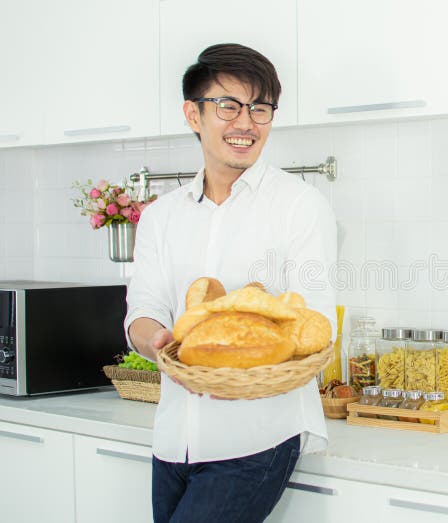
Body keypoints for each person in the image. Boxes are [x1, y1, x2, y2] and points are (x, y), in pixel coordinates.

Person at [125, 43, 336, 523]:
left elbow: (317, 321)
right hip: (173, 437)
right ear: (193, 114)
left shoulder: (300, 206)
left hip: (255, 438)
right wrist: (156, 339)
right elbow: (144, 308)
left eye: (260, 108)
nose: (246, 122)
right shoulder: (160, 216)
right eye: (228, 105)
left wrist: (244, 371)